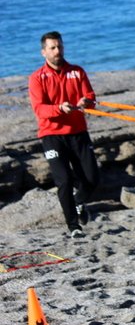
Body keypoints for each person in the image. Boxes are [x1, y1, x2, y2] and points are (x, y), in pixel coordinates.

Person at [29, 31, 100, 238]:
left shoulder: (77, 72)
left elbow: (90, 97)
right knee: (64, 180)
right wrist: (60, 108)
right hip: (51, 135)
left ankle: (79, 202)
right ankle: (73, 226)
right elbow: (39, 109)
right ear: (44, 52)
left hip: (78, 133)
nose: (57, 51)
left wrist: (85, 102)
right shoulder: (37, 78)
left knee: (92, 179)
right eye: (52, 47)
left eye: (59, 46)